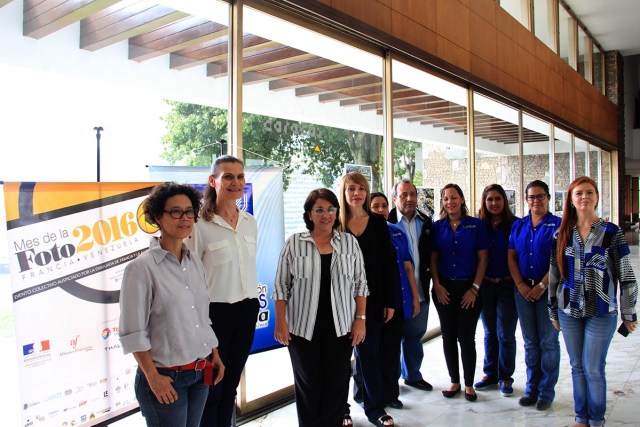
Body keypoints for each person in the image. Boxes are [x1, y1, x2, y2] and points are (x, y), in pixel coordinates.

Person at [119, 182, 225, 427]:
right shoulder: (140, 269)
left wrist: (214, 352)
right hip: (166, 378)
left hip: (200, 372)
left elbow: (201, 316)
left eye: (189, 211)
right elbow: (133, 331)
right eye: (175, 212)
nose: (184, 218)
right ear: (158, 217)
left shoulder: (194, 261)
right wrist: (152, 377)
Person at [272, 188, 368, 427]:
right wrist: (281, 322)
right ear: (309, 214)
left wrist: (361, 319)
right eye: (319, 210)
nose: (326, 215)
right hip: (303, 330)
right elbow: (281, 285)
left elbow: (360, 284)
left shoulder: (349, 243)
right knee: (309, 386)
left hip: (341, 328)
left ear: (336, 213)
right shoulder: (295, 243)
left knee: (337, 385)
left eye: (330, 209)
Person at [549, 176, 638, 427]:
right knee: (577, 366)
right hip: (568, 310)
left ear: (597, 196)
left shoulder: (612, 233)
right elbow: (555, 274)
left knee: (593, 368)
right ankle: (581, 418)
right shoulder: (562, 233)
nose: (584, 197)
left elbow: (627, 276)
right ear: (571, 199)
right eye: (578, 193)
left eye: (589, 192)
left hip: (601, 311)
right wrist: (552, 311)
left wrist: (629, 313)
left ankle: (596, 420)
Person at [185, 155, 259, 427]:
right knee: (211, 388)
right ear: (212, 180)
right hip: (215, 314)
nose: (235, 182)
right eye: (228, 176)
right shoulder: (198, 226)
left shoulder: (249, 221)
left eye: (240, 176)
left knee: (230, 387)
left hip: (248, 309)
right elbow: (189, 279)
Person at [339, 172, 396, 427]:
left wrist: (390, 301)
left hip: (372, 302)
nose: (356, 193)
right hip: (338, 302)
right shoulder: (335, 223)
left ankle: (375, 408)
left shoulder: (377, 223)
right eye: (351, 188)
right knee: (340, 359)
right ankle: (342, 410)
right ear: (344, 191)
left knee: (370, 356)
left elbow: (388, 264)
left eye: (361, 188)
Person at [431, 183, 488, 402]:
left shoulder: (476, 225)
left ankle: (469, 384)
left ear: (462, 199)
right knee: (448, 335)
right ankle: (454, 380)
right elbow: (434, 258)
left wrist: (474, 288)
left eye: (454, 198)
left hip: (469, 288)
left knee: (466, 336)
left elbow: (483, 258)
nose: (450, 202)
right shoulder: (437, 227)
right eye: (445, 198)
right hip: (444, 288)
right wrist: (437, 284)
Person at [508, 179, 561, 411]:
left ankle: (546, 391)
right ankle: (532, 388)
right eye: (531, 197)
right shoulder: (518, 226)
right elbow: (511, 256)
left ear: (548, 198)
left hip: (548, 291)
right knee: (530, 342)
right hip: (523, 291)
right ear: (526, 200)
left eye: (540, 196)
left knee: (548, 342)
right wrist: (520, 285)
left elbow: (560, 261)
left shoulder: (559, 225)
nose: (536, 201)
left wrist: (541, 285)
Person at [370, 192, 421, 409]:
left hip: (399, 300)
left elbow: (408, 267)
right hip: (374, 304)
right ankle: (367, 394)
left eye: (383, 205)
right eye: (375, 206)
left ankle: (391, 394)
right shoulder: (364, 233)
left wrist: (415, 297)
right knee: (370, 353)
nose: (380, 210)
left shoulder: (397, 232)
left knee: (391, 351)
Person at [388, 179, 434, 393]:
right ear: (394, 198)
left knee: (415, 336)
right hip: (395, 294)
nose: (409, 198)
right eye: (403, 194)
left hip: (420, 290)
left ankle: (413, 375)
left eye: (412, 194)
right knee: (393, 339)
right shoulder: (385, 222)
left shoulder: (426, 222)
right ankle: (391, 382)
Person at [473, 184, 519, 397]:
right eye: (489, 199)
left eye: (497, 199)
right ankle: (490, 373)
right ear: (484, 201)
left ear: (504, 201)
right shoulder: (478, 225)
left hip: (509, 285)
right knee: (490, 332)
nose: (493, 203)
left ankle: (505, 376)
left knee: (506, 333)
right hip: (486, 286)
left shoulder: (516, 225)